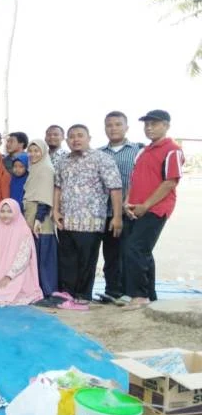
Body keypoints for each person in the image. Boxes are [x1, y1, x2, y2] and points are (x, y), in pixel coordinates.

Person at [53, 124, 123, 309]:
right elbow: (58, 187)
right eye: (72, 136)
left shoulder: (102, 159)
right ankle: (67, 293)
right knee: (67, 259)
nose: (76, 139)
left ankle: (83, 296)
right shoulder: (63, 161)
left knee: (86, 260)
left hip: (91, 222)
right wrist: (55, 210)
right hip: (66, 220)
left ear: (89, 138)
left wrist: (117, 217)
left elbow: (115, 188)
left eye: (80, 135)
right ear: (67, 140)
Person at [122, 110, 184, 308]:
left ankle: (139, 295)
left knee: (135, 248)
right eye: (146, 124)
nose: (149, 128)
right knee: (142, 251)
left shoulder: (173, 150)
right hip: (135, 207)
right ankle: (150, 296)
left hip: (156, 208)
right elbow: (133, 179)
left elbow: (170, 182)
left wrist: (146, 205)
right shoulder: (143, 151)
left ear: (166, 126)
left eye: (154, 124)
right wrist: (127, 202)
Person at [98, 111, 143, 303]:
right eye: (109, 125)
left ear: (126, 127)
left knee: (131, 252)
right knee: (110, 254)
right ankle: (112, 291)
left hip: (130, 211)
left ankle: (132, 292)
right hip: (105, 212)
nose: (113, 128)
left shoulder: (138, 151)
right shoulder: (98, 153)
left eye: (118, 124)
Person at [23, 140, 58, 297]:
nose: (33, 154)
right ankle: (38, 289)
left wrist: (38, 219)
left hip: (41, 220)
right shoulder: (34, 168)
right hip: (32, 216)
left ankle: (48, 290)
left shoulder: (45, 169)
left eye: (36, 151)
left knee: (43, 256)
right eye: (30, 151)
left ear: (43, 152)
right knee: (35, 255)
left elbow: (44, 196)